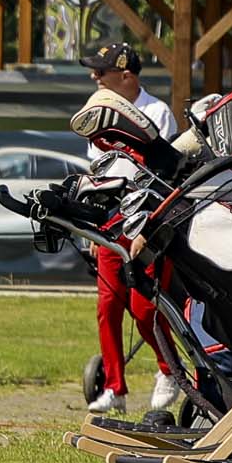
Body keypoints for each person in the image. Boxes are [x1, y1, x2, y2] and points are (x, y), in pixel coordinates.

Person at [80, 40, 177, 417]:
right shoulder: (97, 111)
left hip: (147, 223)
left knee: (142, 308)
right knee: (108, 307)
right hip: (110, 220)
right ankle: (115, 388)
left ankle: (168, 370)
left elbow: (160, 175)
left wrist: (145, 229)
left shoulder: (157, 112)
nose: (94, 77)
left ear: (125, 76)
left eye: (101, 72)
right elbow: (98, 174)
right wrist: (93, 227)